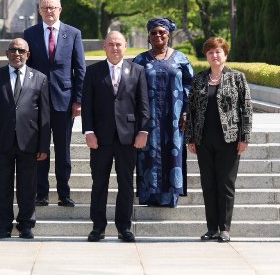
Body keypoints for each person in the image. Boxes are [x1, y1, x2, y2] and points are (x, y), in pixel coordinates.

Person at [82, 31, 149, 243]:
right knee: (99, 183)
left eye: (119, 44)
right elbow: (87, 105)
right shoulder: (93, 71)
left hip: (128, 137)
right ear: (105, 47)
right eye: (111, 44)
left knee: (126, 184)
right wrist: (89, 131)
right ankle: (98, 227)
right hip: (100, 138)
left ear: (126, 46)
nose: (115, 48)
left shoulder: (137, 71)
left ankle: (124, 228)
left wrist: (143, 131)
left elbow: (144, 105)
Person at [0, 38, 50, 239]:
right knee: (1, 186)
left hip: (29, 141)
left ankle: (26, 225)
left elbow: (45, 115)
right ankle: (3, 226)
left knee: (27, 187)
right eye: (13, 50)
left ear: (28, 54)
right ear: (7, 52)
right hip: (1, 141)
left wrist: (44, 146)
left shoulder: (40, 78)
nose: (17, 54)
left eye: (21, 50)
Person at [186, 37, 253, 243]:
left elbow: (247, 109)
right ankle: (211, 228)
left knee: (225, 184)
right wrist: (190, 138)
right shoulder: (198, 79)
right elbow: (192, 110)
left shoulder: (237, 78)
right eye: (210, 52)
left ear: (225, 54)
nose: (215, 56)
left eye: (218, 52)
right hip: (204, 139)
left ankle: (225, 228)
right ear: (206, 56)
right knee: (208, 184)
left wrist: (244, 137)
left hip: (229, 139)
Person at [23, 0, 86, 207]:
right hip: (36, 101)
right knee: (40, 149)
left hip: (64, 100)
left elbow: (80, 69)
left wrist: (78, 100)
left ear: (60, 9)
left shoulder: (73, 33)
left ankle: (64, 193)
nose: (49, 11)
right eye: (45, 8)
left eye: (53, 8)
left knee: (63, 151)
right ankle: (41, 194)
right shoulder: (29, 34)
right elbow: (26, 69)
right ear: (39, 11)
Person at [132, 17, 193, 207]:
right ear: (149, 36)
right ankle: (149, 196)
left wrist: (186, 112)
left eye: (162, 32)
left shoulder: (180, 58)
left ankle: (170, 196)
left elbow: (190, 86)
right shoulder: (140, 60)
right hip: (148, 119)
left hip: (173, 119)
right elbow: (132, 89)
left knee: (172, 153)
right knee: (148, 155)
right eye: (154, 33)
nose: (158, 35)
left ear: (169, 35)